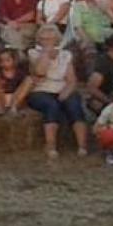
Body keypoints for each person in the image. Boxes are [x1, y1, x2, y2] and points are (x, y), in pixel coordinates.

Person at [25, 25, 89, 159]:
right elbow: (40, 72)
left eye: (50, 39)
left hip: (61, 88)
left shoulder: (66, 55)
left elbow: (71, 80)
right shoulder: (33, 53)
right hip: (41, 89)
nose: (47, 42)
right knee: (51, 105)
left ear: (56, 40)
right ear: (39, 40)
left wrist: (65, 93)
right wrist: (45, 55)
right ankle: (51, 146)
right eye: (44, 39)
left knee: (74, 103)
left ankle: (82, 146)